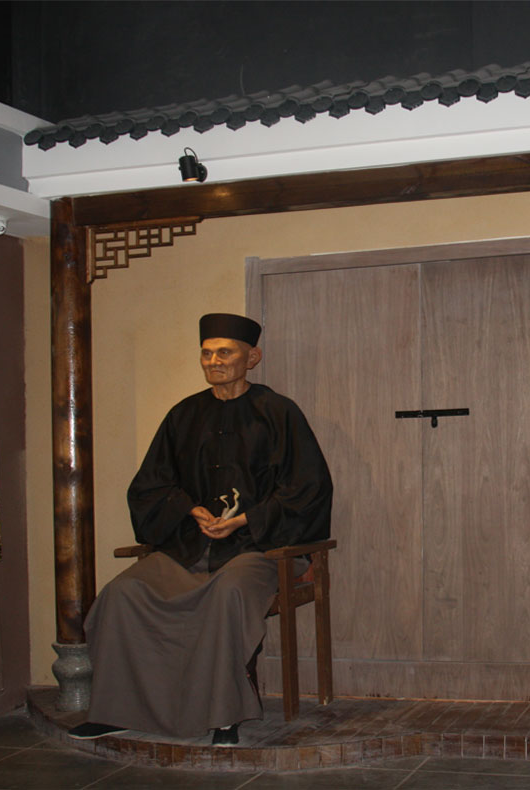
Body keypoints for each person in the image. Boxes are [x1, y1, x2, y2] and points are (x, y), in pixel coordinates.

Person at [69, 313, 333, 746]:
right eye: (207, 353)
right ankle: (114, 710)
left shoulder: (279, 413)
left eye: (224, 352)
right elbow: (150, 486)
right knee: (121, 594)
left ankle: (223, 715)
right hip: (190, 546)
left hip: (259, 548)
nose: (214, 361)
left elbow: (309, 487)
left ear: (252, 358)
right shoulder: (183, 415)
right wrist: (190, 510)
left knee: (227, 593)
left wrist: (245, 520)